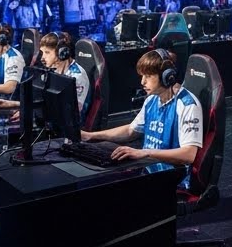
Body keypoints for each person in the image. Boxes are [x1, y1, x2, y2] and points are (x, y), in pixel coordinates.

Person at [81, 49, 203, 186]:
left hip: (172, 179)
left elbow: (189, 155)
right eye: (142, 76)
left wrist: (145, 153)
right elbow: (130, 131)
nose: (142, 82)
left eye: (148, 76)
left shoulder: (187, 105)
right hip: (148, 171)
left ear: (167, 76)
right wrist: (91, 136)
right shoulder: (152, 100)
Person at [0, 32, 89, 122]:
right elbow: (44, 102)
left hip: (67, 129)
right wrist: (13, 104)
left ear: (62, 53)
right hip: (48, 122)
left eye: (47, 52)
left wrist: (30, 112)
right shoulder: (52, 70)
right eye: (42, 52)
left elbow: (70, 112)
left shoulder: (77, 76)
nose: (42, 58)